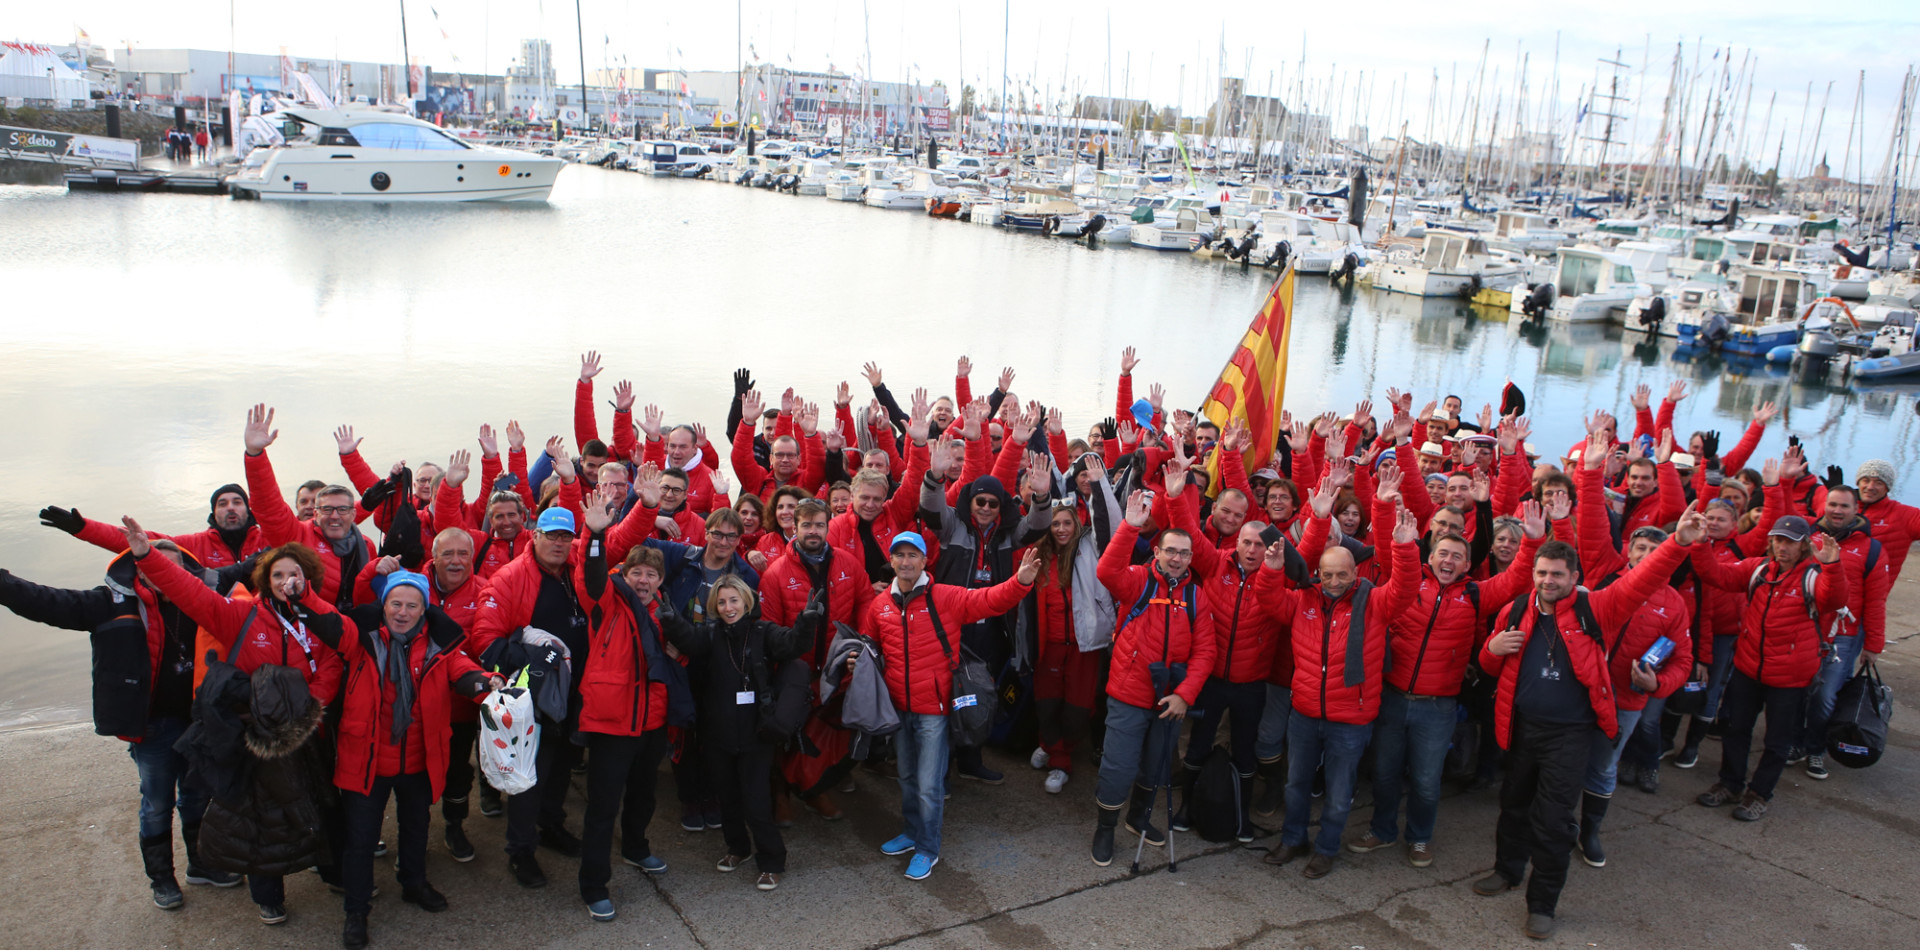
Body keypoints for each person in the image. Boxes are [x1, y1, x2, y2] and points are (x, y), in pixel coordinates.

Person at [1471, 514, 1700, 940]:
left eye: (1558, 574)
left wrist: (1678, 544)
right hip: (1521, 727)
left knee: (1554, 820)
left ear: (1575, 577)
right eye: (1541, 572)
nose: (1547, 580)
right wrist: (1491, 647)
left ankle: (1542, 904)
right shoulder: (1515, 608)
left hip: (1570, 734)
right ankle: (1507, 870)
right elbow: (1488, 666)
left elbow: (1642, 580)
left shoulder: (1598, 607)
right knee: (1513, 805)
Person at [0, 541, 247, 910]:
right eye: (155, 565)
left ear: (187, 572)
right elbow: (46, 601)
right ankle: (162, 879)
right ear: (139, 569)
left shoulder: (203, 600)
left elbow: (249, 569)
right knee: (158, 804)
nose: (165, 572)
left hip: (199, 722)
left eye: (173, 566)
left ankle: (201, 864)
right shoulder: (109, 603)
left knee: (197, 797)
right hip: (152, 727)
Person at [126, 526, 344, 927]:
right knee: (260, 818)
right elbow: (190, 592)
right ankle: (268, 897)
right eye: (277, 575)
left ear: (308, 577)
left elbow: (333, 660)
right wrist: (147, 558)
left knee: (320, 805)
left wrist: (309, 707)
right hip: (256, 739)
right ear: (264, 580)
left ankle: (333, 871)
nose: (285, 581)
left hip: (309, 732)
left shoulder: (323, 617)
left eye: (293, 574)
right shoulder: (239, 616)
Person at [1351, 456, 1546, 871]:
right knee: (1384, 773)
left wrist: (1531, 540)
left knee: (1425, 780)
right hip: (1391, 695)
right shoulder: (1406, 584)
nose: (1449, 560)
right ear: (1430, 553)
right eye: (1443, 552)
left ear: (1466, 561)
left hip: (1437, 705)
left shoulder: (1476, 594)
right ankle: (1383, 831)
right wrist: (1384, 504)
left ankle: (1419, 837)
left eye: (1458, 555)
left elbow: (1515, 580)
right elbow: (1391, 547)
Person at [325, 570, 501, 949]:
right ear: (383, 605)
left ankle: (413, 882)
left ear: (424, 609)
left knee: (417, 827)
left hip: (417, 758)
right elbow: (323, 618)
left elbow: (463, 670)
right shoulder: (360, 640)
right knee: (360, 840)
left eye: (411, 605)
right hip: (367, 760)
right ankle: (356, 909)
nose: (402, 612)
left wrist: (488, 683)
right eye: (395, 604)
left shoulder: (439, 645)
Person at [1261, 482, 1421, 879]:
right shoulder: (1304, 600)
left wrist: (1404, 548)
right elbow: (1269, 600)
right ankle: (1293, 838)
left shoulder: (1374, 602)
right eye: (1328, 574)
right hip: (1305, 711)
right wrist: (1271, 569)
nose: (1334, 581)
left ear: (1355, 572)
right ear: (1318, 573)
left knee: (1337, 792)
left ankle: (1327, 848)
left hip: (1351, 717)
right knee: (1296, 785)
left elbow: (1404, 588)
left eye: (1342, 574)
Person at [858, 533, 1038, 880]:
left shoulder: (945, 597)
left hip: (934, 711)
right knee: (907, 777)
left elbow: (989, 600)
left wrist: (1020, 582)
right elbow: (871, 645)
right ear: (892, 562)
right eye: (900, 555)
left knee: (928, 784)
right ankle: (911, 833)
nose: (906, 561)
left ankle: (928, 847)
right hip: (898, 708)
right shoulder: (879, 605)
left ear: (925, 561)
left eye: (913, 555)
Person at [467, 459, 591, 890]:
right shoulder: (508, 578)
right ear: (533, 535)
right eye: (550, 535)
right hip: (530, 699)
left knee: (559, 769)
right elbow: (484, 639)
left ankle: (551, 828)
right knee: (528, 775)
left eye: (565, 537)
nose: (558, 543)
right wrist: (535, 661)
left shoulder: (576, 571)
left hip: (573, 693)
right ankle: (520, 851)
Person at [1087, 469, 1218, 867]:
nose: (1176, 559)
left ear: (1190, 558)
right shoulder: (1137, 581)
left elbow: (1205, 653)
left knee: (1156, 765)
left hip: (1169, 699)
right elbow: (1106, 572)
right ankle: (1105, 827)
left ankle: (1137, 817)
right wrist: (1129, 526)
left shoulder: (1196, 598)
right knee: (1118, 765)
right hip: (1128, 694)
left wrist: (1184, 694)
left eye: (1183, 553)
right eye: (1170, 551)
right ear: (1157, 552)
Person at [663, 576, 823, 892]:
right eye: (722, 602)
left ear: (746, 602)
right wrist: (671, 621)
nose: (728, 607)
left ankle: (772, 860)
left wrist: (806, 621)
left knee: (756, 802)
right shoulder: (710, 635)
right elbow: (689, 641)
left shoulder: (764, 632)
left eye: (734, 600)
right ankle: (738, 848)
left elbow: (795, 644)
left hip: (756, 735)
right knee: (727, 798)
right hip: (717, 735)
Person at [1687, 513, 1847, 820]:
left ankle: (1759, 793)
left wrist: (1832, 565)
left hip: (1790, 677)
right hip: (1748, 668)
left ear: (1803, 546)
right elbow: (1715, 575)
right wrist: (1700, 543)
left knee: (1777, 740)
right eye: (1777, 540)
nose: (1781, 546)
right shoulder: (1758, 569)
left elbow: (1834, 599)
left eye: (1789, 542)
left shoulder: (1814, 577)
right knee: (1736, 729)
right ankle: (1731, 783)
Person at [1017, 454, 1122, 795]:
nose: (1061, 529)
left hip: (1084, 645)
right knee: (1047, 703)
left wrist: (1100, 486)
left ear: (1076, 524)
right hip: (1048, 647)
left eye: (1066, 523)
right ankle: (1052, 749)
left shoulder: (1092, 547)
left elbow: (1112, 527)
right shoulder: (1037, 555)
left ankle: (1060, 757)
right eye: (1055, 524)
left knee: (1078, 708)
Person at [241, 405, 378, 611]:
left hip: (345, 627)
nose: (334, 516)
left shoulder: (367, 546)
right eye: (326, 510)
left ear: (353, 513)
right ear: (315, 513)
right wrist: (255, 454)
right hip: (301, 625)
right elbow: (268, 508)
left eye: (342, 510)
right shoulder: (296, 536)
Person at [1796, 483, 1890, 779]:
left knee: (1826, 695)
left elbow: (1875, 601)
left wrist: (1873, 644)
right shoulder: (1806, 538)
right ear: (1825, 506)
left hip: (1844, 636)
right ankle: (1794, 742)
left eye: (1844, 506)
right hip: (1804, 629)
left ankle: (1815, 748)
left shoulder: (1872, 549)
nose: (1837, 510)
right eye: (1833, 504)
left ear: (1855, 509)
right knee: (1798, 691)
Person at [41, 482, 266, 570]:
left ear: (248, 510)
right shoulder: (195, 544)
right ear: (213, 514)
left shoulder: (269, 540)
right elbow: (137, 540)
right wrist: (83, 528)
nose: (231, 508)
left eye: (237, 502)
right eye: (223, 504)